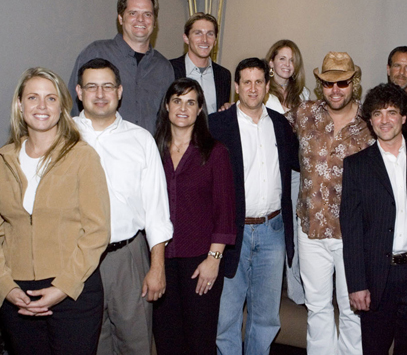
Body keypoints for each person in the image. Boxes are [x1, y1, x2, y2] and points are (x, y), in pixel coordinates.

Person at [0, 67, 110, 355]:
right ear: (19, 104)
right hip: (16, 296)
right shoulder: (3, 160)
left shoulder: (82, 157)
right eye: (33, 97)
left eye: (50, 98)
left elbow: (97, 231)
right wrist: (5, 286)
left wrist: (62, 287)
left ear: (62, 106)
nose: (41, 106)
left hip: (73, 293)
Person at [73, 58, 173, 355]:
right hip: (76, 258)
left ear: (119, 92)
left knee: (135, 342)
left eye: (107, 86)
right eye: (92, 86)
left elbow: (157, 208)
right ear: (79, 92)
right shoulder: (63, 136)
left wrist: (157, 267)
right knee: (89, 344)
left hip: (128, 258)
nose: (100, 93)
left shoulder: (141, 140)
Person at [286, 52, 375, 354]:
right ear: (320, 84)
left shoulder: (371, 122)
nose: (335, 89)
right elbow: (266, 123)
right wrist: (236, 108)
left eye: (342, 82)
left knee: (352, 310)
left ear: (354, 83)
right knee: (318, 308)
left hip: (352, 234)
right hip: (310, 230)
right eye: (328, 83)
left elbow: (399, 151)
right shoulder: (304, 113)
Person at [341, 83, 407, 354]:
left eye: (391, 112)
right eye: (377, 113)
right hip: (376, 277)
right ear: (370, 121)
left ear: (404, 117)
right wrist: (357, 284)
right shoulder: (356, 165)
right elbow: (351, 231)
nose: (385, 120)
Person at [209, 58, 298, 355]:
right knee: (226, 317)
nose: (252, 88)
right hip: (232, 235)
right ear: (236, 87)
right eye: (246, 82)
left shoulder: (281, 124)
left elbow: (301, 162)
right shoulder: (216, 125)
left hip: (273, 231)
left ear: (267, 86)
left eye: (258, 81)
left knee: (266, 317)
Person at [152, 78, 237, 354]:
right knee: (166, 340)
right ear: (167, 106)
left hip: (200, 262)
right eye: (177, 101)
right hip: (161, 260)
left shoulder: (215, 152)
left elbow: (225, 213)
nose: (183, 108)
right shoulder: (152, 151)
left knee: (199, 341)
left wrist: (213, 260)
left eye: (191, 102)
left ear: (200, 109)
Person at [69, 0, 174, 133]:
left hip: (146, 154)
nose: (140, 19)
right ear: (120, 18)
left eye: (147, 14)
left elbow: (167, 121)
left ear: (155, 21)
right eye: (133, 13)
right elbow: (72, 105)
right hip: (97, 152)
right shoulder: (95, 52)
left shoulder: (164, 68)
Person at [264, 39, 309, 304]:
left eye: (291, 60)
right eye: (282, 58)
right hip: (269, 170)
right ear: (271, 62)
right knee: (274, 227)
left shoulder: (302, 97)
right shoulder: (261, 93)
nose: (287, 64)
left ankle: (296, 290)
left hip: (295, 171)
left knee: (295, 229)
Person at [170, 13, 232, 114]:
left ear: (215, 41)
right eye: (198, 33)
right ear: (186, 38)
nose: (204, 40)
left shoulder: (224, 75)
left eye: (210, 34)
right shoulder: (169, 69)